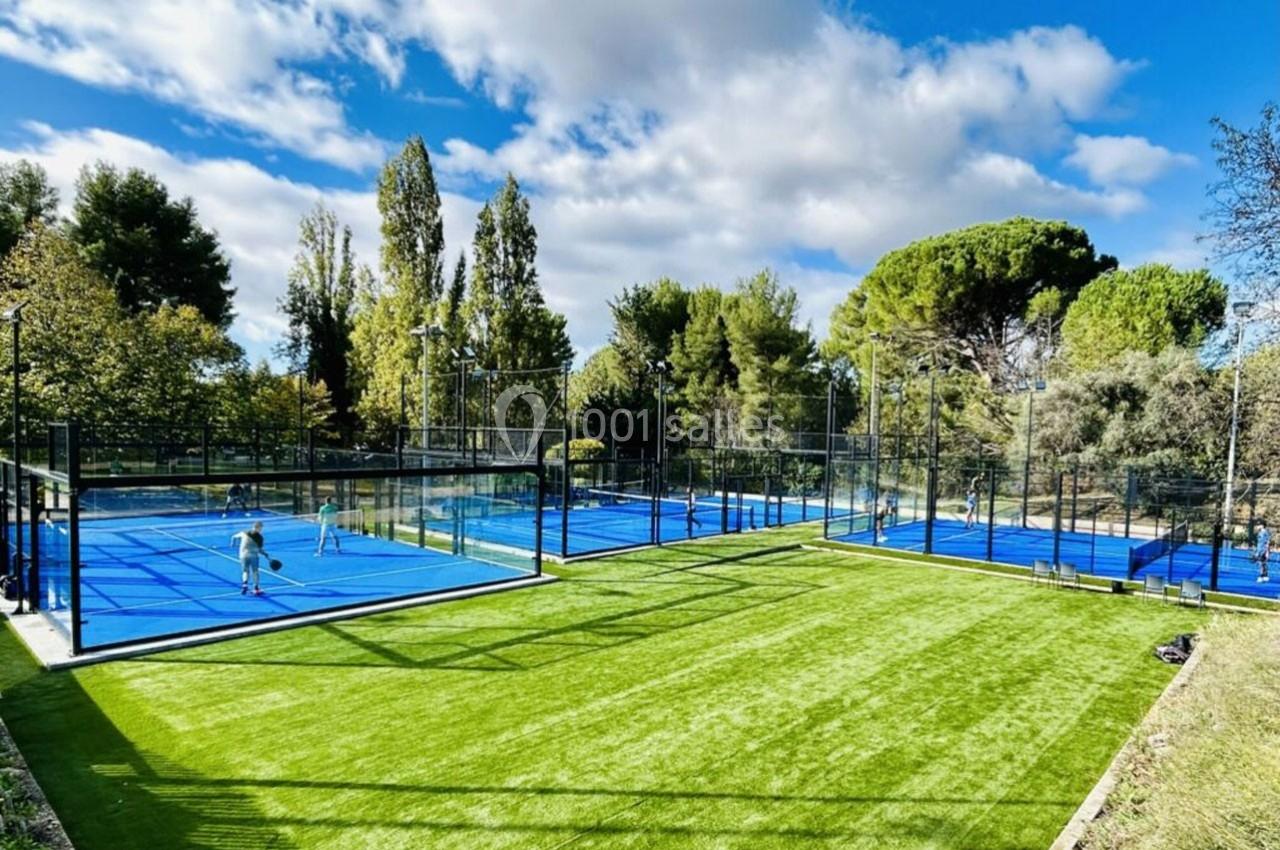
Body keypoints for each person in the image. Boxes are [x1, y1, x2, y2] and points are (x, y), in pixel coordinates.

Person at [231, 521, 270, 596]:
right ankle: (256, 588)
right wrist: (265, 554)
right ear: (259, 528)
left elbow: (234, 537)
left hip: (243, 555)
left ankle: (245, 584)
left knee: (245, 571)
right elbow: (259, 549)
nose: (261, 530)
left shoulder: (244, 533)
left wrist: (232, 543)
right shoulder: (260, 538)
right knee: (255, 571)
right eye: (261, 528)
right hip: (253, 556)